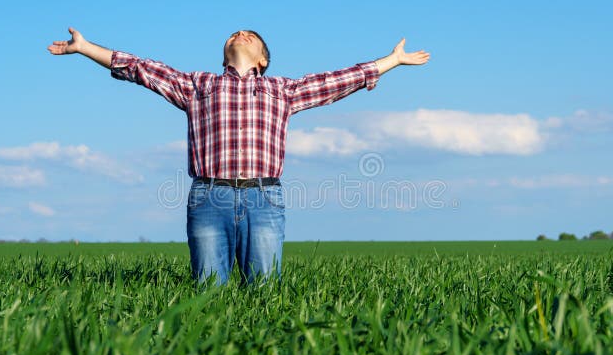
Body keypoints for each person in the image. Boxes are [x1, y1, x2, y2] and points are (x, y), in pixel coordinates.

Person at [48, 28, 430, 285]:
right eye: (236, 33)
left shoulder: (282, 90)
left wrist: (392, 61)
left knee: (263, 294)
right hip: (208, 197)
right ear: (224, 54)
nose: (242, 34)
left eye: (252, 36)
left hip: (264, 198)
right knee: (208, 293)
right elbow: (140, 68)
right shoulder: (199, 85)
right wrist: (85, 48)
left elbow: (337, 80)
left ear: (262, 59)